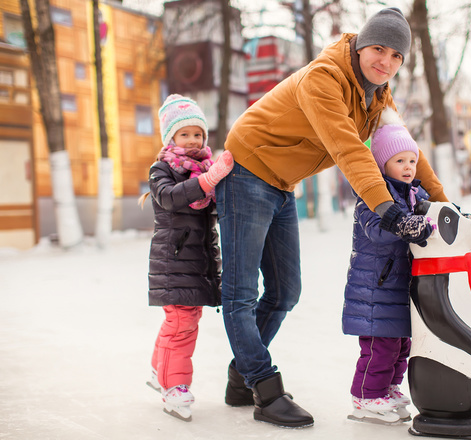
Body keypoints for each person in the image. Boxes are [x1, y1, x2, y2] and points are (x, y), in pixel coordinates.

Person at [216, 7, 449, 428]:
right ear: (361, 45)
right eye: (379, 49)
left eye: (397, 56)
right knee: (240, 294)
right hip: (246, 172)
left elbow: (405, 148)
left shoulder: (378, 93)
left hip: (282, 183)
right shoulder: (323, 78)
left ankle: (241, 375)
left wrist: (442, 204)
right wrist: (388, 211)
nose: (387, 62)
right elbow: (349, 149)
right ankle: (264, 388)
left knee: (285, 291)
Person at [144, 94, 234, 422]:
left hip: (197, 262)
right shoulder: (162, 169)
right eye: (185, 134)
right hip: (174, 261)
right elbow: (169, 198)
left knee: (182, 320)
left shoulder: (204, 169)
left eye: (198, 133)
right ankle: (175, 387)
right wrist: (208, 181)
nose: (194, 140)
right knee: (181, 323)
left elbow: (210, 208)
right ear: (170, 138)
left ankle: (160, 370)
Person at [343, 109, 430, 425]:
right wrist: (408, 225)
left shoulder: (412, 194)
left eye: (411, 160)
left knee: (401, 344)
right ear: (383, 164)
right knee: (380, 348)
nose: (408, 167)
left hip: (396, 285)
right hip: (375, 286)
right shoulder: (372, 195)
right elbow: (378, 230)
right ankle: (366, 397)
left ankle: (388, 388)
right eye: (399, 161)